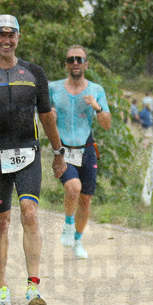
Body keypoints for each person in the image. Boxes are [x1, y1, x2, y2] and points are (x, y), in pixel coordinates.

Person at [0, 14, 67, 305]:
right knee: (1, 221)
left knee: (29, 212)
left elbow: (46, 116)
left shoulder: (34, 73)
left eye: (11, 35)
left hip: (28, 153)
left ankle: (33, 289)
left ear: (18, 37)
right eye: (1, 34)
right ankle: (1, 289)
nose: (6, 40)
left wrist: (58, 153)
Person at [49, 45, 112, 259]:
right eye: (71, 59)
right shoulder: (54, 89)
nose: (75, 63)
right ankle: (67, 224)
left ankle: (77, 240)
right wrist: (50, 117)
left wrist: (97, 107)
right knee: (73, 188)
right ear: (66, 64)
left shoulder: (96, 90)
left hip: (86, 149)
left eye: (79, 59)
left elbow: (106, 124)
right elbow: (44, 118)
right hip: (64, 150)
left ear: (86, 64)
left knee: (85, 200)